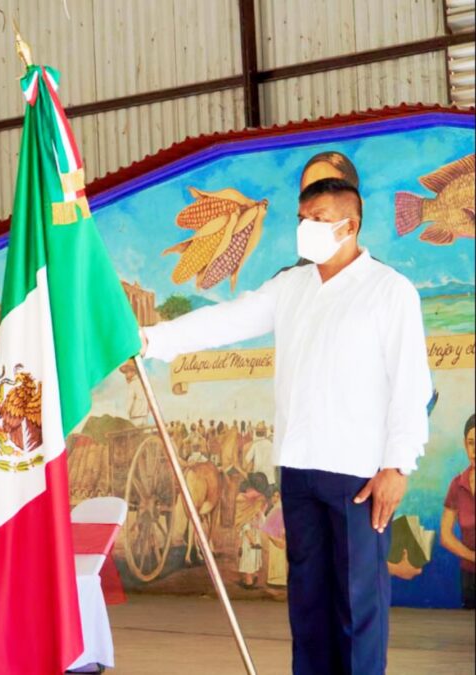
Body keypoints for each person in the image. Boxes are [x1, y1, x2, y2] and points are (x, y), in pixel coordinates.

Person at [141, 178, 433, 674]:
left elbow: (411, 384)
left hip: (358, 476)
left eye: (317, 219)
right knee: (308, 605)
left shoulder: (389, 291)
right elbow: (226, 320)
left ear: (350, 225)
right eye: (302, 219)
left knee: (357, 607)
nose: (306, 229)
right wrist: (149, 338)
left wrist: (398, 465)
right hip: (298, 468)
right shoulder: (292, 286)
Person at [441, 414, 476, 609]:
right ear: (465, 444)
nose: (475, 450)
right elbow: (445, 536)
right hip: (469, 576)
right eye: (471, 443)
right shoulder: (457, 484)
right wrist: (473, 557)